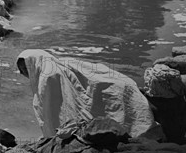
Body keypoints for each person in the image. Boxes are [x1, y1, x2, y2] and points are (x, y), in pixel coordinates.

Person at [16, 49, 157, 138]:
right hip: (118, 84)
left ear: (34, 64)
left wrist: (52, 137)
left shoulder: (47, 77)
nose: (23, 73)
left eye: (25, 69)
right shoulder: (58, 63)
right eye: (22, 70)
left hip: (113, 90)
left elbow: (52, 113)